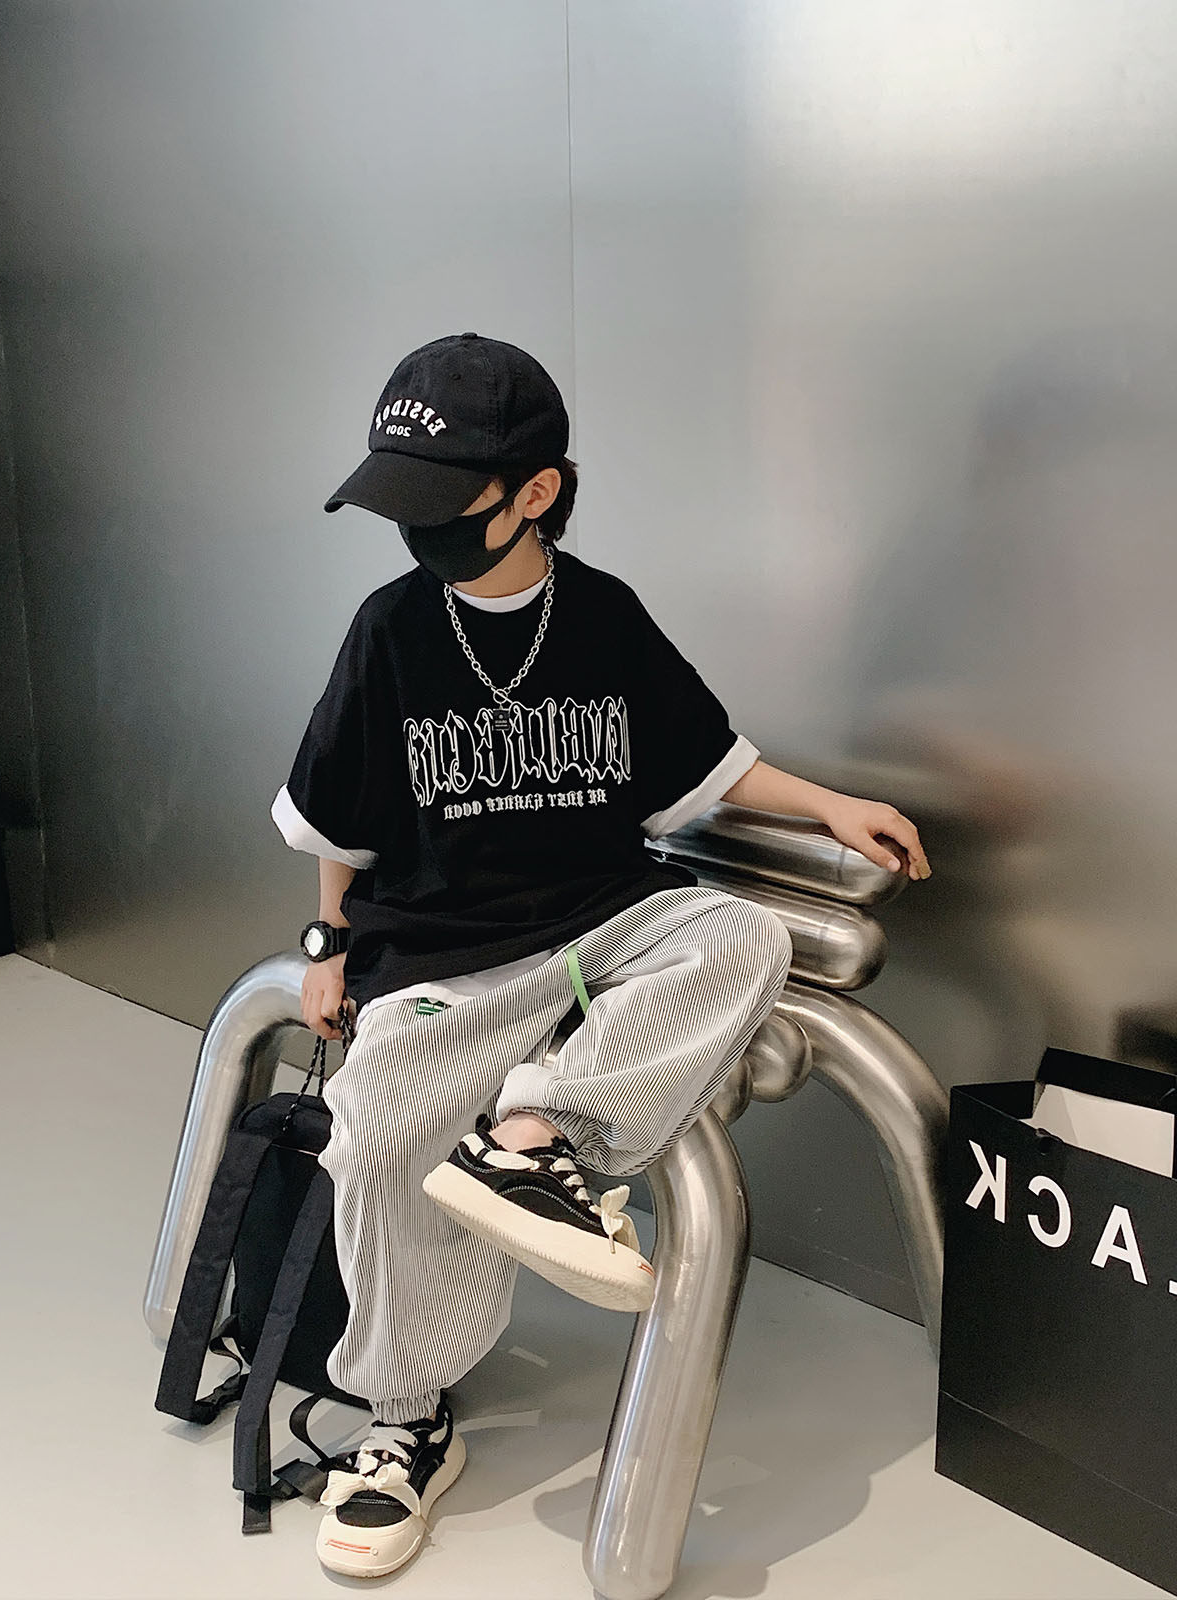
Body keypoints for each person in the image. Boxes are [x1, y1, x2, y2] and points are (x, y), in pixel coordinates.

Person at [270, 332, 931, 1580]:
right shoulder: (390, 632)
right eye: (400, 503)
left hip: (598, 929)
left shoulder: (604, 617)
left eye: (444, 504)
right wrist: (327, 943)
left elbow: (706, 761)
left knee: (739, 933)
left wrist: (831, 805)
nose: (417, 532)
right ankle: (405, 1420)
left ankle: (534, 1138)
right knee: (373, 1134)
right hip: (443, 958)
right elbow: (334, 823)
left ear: (537, 491)